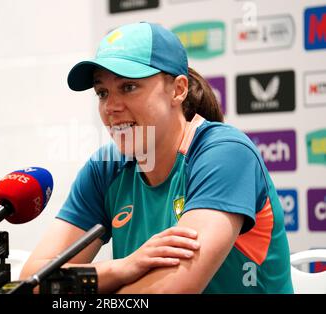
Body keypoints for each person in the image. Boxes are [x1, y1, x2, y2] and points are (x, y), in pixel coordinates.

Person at [20, 22, 293, 293]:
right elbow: (33, 281)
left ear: (178, 90)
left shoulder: (224, 153)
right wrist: (121, 267)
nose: (111, 107)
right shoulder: (106, 169)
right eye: (102, 92)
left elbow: (171, 290)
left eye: (128, 87)